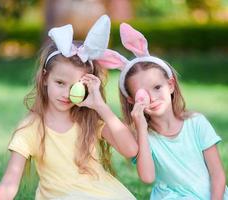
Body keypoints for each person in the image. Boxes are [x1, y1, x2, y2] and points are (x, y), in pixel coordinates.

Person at [0, 15, 138, 200]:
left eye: (76, 86)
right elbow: (9, 183)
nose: (66, 93)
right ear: (45, 78)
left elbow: (131, 150)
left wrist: (101, 107)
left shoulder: (90, 119)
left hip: (104, 194)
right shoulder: (31, 128)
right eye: (60, 82)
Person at [98, 23, 228, 199]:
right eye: (143, 94)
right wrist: (141, 128)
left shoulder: (197, 123)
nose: (152, 98)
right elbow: (147, 177)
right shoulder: (143, 137)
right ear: (131, 100)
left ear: (171, 85)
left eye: (157, 87)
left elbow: (218, 175)